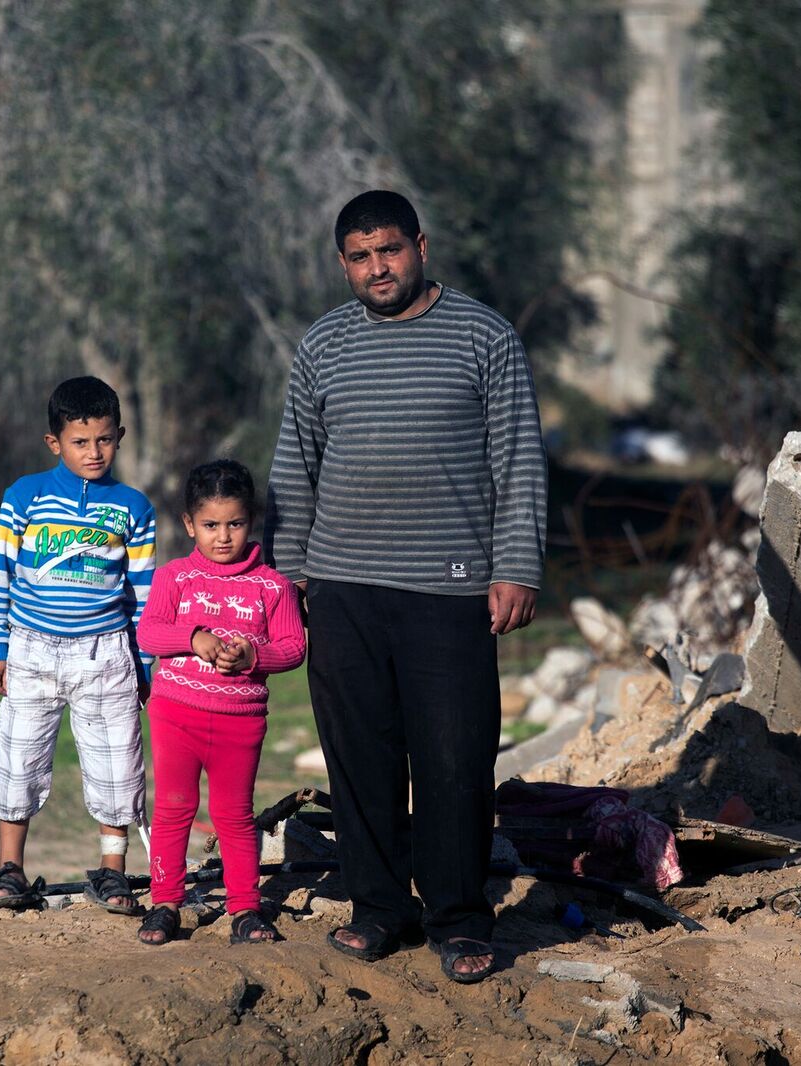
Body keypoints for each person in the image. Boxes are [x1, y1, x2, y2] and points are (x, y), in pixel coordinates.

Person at [264, 190, 548, 983]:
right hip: (343, 586)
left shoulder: (483, 335)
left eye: (388, 250)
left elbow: (518, 456)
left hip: (449, 586)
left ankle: (459, 917)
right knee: (360, 755)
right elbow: (296, 464)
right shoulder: (324, 344)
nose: (376, 267)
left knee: (454, 756)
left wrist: (516, 565)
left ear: (420, 246)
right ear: (343, 264)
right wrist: (286, 578)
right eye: (359, 256)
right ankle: (380, 907)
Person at [0, 375, 156, 915]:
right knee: (19, 756)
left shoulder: (133, 507)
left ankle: (112, 872)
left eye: (104, 439)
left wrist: (144, 661)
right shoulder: (23, 496)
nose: (93, 452)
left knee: (116, 763)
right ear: (55, 442)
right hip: (30, 649)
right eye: (80, 442)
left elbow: (142, 593)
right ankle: (10, 872)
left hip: (106, 655)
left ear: (120, 436)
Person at [133, 459, 306, 946]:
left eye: (235, 523)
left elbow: (293, 646)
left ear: (251, 521)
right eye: (210, 525)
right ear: (190, 524)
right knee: (173, 807)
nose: (223, 536)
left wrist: (255, 654)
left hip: (241, 721)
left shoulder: (274, 585)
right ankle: (165, 903)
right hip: (176, 714)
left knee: (234, 813)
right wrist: (193, 637)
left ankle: (245, 909)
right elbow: (149, 632)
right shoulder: (174, 578)